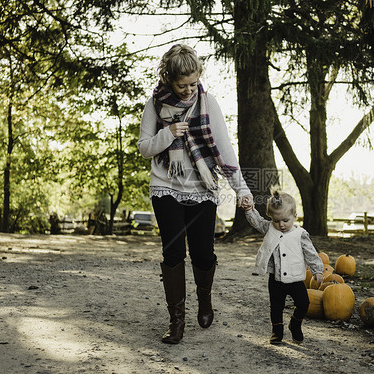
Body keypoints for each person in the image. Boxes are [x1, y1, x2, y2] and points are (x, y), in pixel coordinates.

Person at [137, 44, 253, 344]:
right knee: (173, 253)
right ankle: (176, 321)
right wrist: (168, 133)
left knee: (203, 254)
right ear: (168, 79)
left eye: (192, 83)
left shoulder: (208, 103)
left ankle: (204, 299)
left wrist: (241, 189)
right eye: (181, 85)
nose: (188, 90)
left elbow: (224, 149)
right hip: (166, 186)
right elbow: (144, 147)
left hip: (202, 188)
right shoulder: (155, 105)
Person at [244, 189, 323, 344]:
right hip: (276, 278)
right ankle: (277, 331)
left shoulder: (300, 234)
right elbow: (258, 221)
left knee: (304, 303)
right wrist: (249, 210)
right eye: (276, 221)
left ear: (295, 216)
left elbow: (311, 253)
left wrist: (317, 270)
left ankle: (295, 324)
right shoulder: (270, 228)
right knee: (276, 307)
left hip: (295, 278)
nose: (281, 225)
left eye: (285, 220)